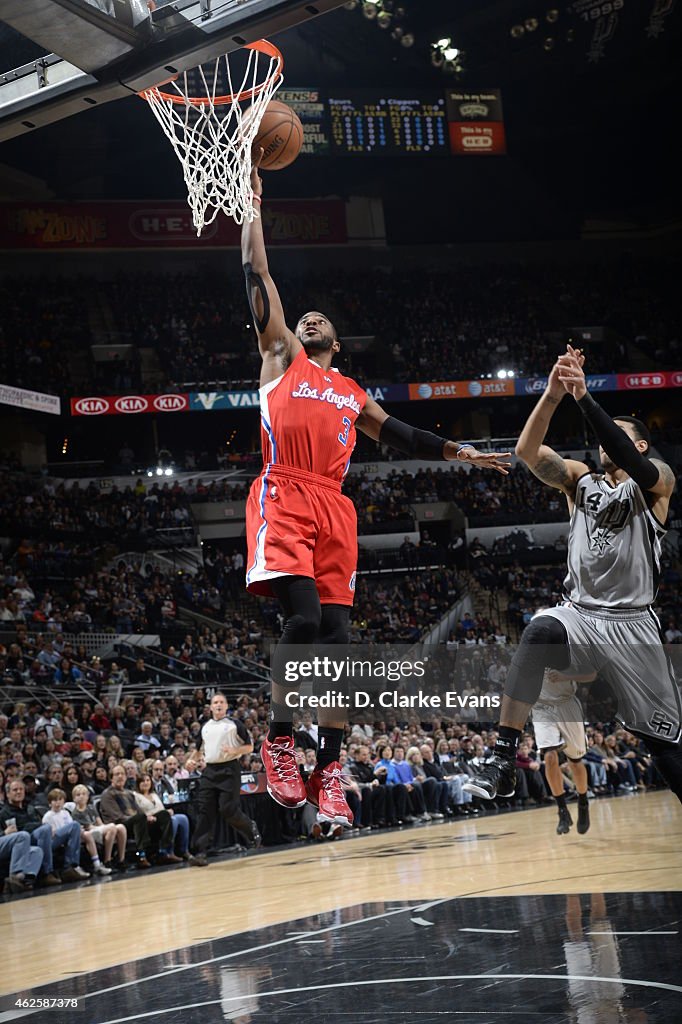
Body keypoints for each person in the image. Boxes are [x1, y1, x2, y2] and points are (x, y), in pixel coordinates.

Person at [241, 147, 511, 828]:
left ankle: (328, 767)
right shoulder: (281, 357)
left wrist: (460, 451)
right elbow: (257, 271)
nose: (308, 322)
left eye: (318, 322)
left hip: (335, 508)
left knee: (339, 639)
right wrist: (251, 204)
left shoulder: (353, 393)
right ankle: (278, 742)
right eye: (303, 319)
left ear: (339, 339)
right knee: (301, 620)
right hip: (285, 492)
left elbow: (403, 436)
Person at [464, 345, 682, 803]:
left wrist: (586, 398)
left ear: (639, 443)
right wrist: (552, 395)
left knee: (664, 745)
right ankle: (502, 758)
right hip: (581, 614)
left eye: (618, 437)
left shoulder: (657, 479)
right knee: (540, 629)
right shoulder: (580, 479)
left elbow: (636, 463)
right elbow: (527, 451)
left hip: (634, 624)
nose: (606, 443)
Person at [185, 693, 260, 866]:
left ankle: (250, 828)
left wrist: (234, 750)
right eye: (215, 702)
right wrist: (191, 760)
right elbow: (198, 750)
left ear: (226, 706)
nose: (218, 705)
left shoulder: (235, 724)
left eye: (221, 702)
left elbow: (249, 747)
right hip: (210, 770)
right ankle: (199, 852)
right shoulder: (205, 727)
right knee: (205, 810)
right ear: (210, 707)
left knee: (228, 810)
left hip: (229, 769)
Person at [532, 666, 595, 836]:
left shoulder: (568, 645)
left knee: (575, 762)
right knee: (550, 757)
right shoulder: (528, 651)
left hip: (567, 704)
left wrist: (565, 675)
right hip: (541, 708)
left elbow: (591, 673)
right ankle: (562, 811)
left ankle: (583, 802)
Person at [0, 779, 86, 885]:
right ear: (8, 794)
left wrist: (37, 827)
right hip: (25, 842)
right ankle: (47, 872)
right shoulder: (4, 813)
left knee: (74, 826)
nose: (19, 792)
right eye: (15, 790)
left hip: (42, 838)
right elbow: (12, 834)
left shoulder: (30, 808)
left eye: (21, 789)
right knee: (44, 830)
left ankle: (70, 867)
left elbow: (38, 824)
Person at [99, 764, 172, 869]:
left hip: (137, 822)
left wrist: (148, 816)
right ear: (111, 778)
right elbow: (117, 817)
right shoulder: (107, 794)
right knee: (140, 818)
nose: (120, 776)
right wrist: (141, 817)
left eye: (122, 774)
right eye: (117, 774)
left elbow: (138, 810)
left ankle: (164, 852)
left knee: (164, 815)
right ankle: (141, 856)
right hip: (119, 825)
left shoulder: (129, 793)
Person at [42, 788, 109, 875]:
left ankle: (96, 864)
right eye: (55, 800)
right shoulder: (48, 816)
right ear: (50, 803)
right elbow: (51, 834)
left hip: (68, 837)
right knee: (76, 825)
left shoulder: (65, 813)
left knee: (86, 834)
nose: (58, 803)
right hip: (55, 840)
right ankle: (73, 865)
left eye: (60, 800)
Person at [71, 784, 128, 872]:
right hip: (89, 833)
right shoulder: (75, 813)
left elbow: (100, 822)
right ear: (74, 798)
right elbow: (88, 827)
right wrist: (103, 828)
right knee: (112, 827)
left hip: (98, 829)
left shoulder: (91, 808)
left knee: (121, 827)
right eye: (78, 795)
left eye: (83, 794)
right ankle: (107, 860)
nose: (81, 797)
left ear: (87, 796)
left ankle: (121, 859)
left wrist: (103, 827)